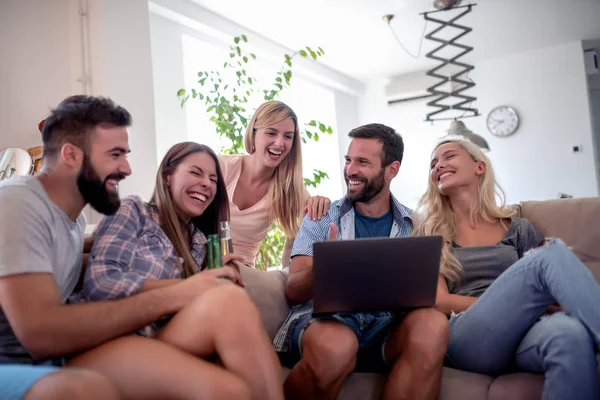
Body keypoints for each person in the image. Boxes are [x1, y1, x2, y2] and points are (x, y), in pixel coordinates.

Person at [0, 95, 270, 400]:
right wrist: (181, 290)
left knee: (230, 387)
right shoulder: (16, 201)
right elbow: (42, 333)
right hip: (19, 362)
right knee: (84, 389)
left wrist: (210, 279)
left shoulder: (73, 225)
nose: (127, 169)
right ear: (72, 155)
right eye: (115, 155)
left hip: (59, 354)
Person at [77, 141, 284, 400]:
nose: (207, 183)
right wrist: (194, 286)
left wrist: (212, 277)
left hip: (161, 335)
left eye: (213, 179)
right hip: (110, 337)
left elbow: (191, 302)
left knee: (230, 300)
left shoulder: (198, 241)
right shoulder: (134, 210)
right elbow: (100, 283)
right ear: (167, 176)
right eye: (196, 173)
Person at [413, 136, 600, 400]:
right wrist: (515, 303)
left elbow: (549, 292)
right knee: (550, 253)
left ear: (480, 167)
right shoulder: (429, 233)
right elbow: (439, 302)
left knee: (569, 335)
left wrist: (526, 307)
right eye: (433, 164)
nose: (438, 166)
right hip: (469, 337)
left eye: (449, 156)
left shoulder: (517, 228)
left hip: (525, 333)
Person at [274, 123, 450, 400]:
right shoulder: (322, 216)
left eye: (363, 162)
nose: (351, 170)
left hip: (389, 327)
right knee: (336, 346)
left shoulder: (417, 225)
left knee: (433, 324)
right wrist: (326, 268)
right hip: (327, 321)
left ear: (392, 170)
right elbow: (293, 289)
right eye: (348, 160)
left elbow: (431, 294)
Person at [218, 101, 330, 268]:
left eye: (288, 136)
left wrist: (319, 204)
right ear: (253, 133)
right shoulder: (221, 167)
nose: (279, 143)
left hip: (243, 274)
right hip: (205, 264)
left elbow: (307, 234)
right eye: (271, 133)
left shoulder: (290, 187)